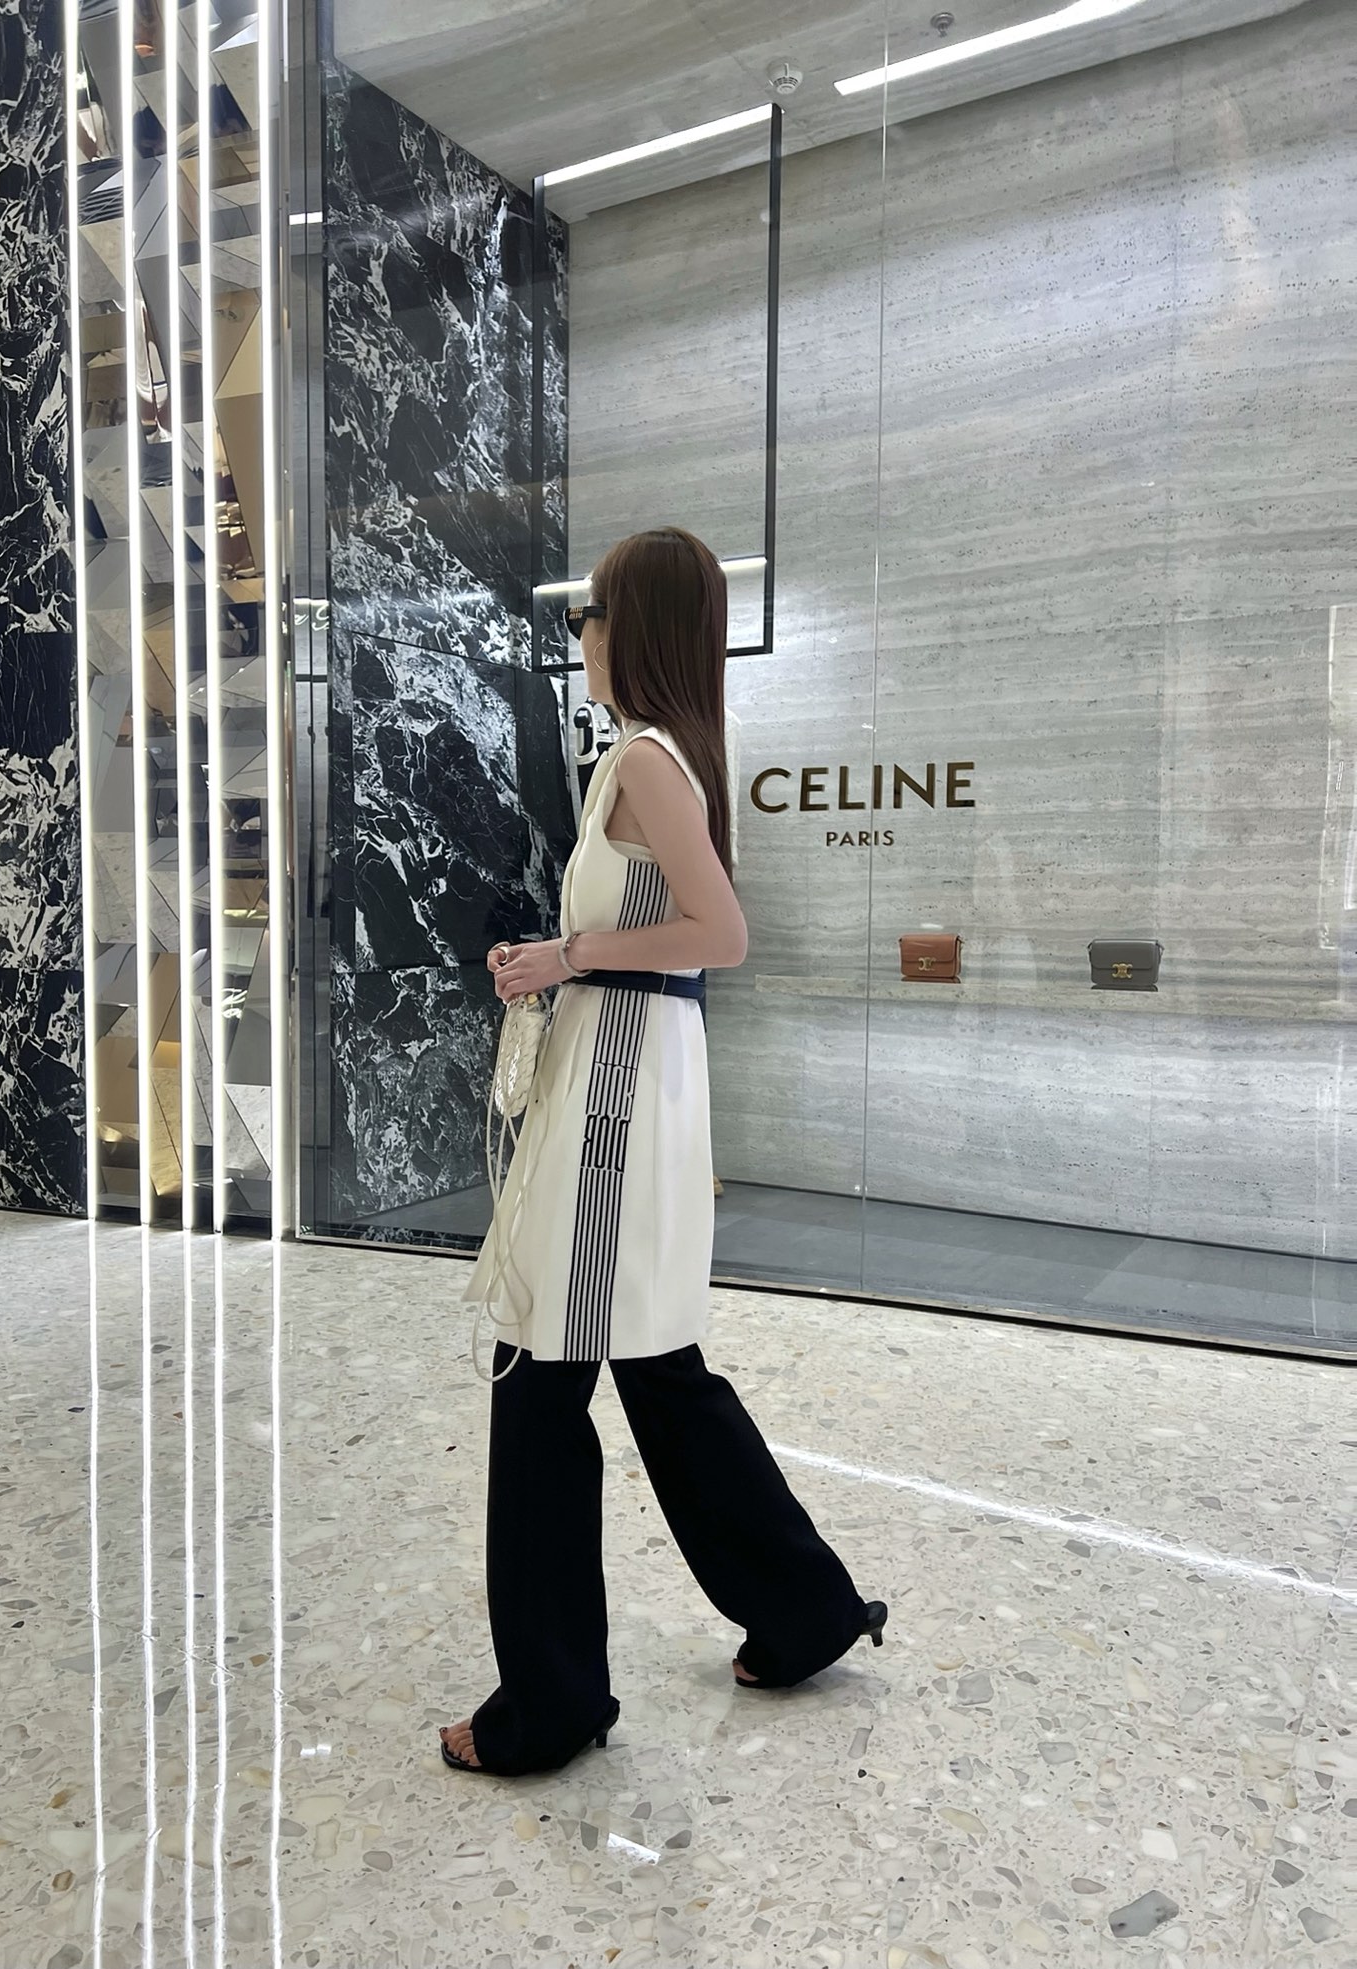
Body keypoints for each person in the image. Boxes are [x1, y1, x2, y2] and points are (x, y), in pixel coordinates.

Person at [440, 527, 886, 1778]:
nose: (580, 635)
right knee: (654, 1368)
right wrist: (559, 962)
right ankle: (803, 1607)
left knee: (541, 1378)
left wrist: (569, 955)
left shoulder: (643, 758)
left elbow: (720, 933)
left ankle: (553, 1703)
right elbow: (667, 931)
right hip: (629, 1089)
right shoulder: (661, 755)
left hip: (614, 1113)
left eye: (592, 615)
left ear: (632, 628)